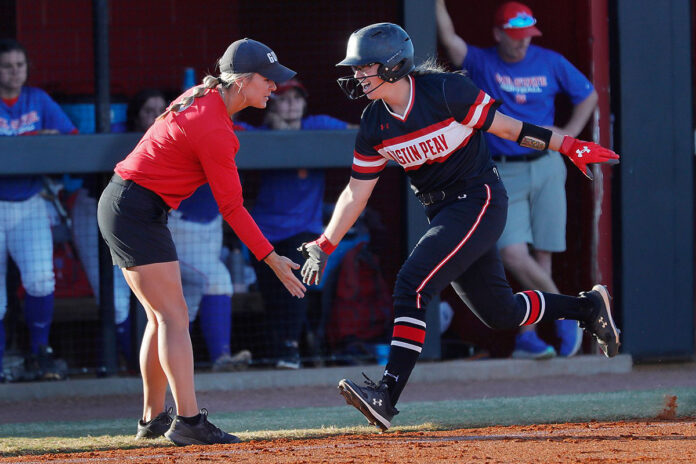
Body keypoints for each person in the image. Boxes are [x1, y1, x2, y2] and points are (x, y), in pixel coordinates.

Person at [298, 23, 620, 432]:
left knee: (412, 284)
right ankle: (588, 307)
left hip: (479, 198)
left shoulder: (446, 91)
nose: (358, 75)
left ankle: (386, 394)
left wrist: (569, 145)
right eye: (357, 68)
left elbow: (509, 129)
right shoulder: (373, 123)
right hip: (444, 213)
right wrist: (325, 243)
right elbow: (355, 194)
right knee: (500, 313)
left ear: (395, 65)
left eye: (366, 67)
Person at [97, 38, 304, 446]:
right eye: (267, 79)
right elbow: (233, 208)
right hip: (134, 210)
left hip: (132, 206)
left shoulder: (205, 94)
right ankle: (188, 421)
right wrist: (271, 257)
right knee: (174, 317)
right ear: (242, 81)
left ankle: (152, 418)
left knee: (162, 317)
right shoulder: (213, 126)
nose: (274, 87)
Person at [436, 0, 599, 359]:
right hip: (503, 166)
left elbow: (588, 95)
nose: (522, 42)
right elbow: (449, 40)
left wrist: (569, 137)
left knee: (542, 255)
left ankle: (530, 339)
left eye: (527, 35)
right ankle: (570, 310)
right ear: (498, 34)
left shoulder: (550, 60)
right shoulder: (482, 61)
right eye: (515, 36)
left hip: (547, 163)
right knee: (512, 253)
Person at [128, 89, 252, 372]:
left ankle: (176, 366)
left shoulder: (227, 125)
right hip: (178, 225)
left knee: (188, 302)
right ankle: (221, 357)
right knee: (217, 278)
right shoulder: (186, 127)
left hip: (210, 226)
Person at [251, 78, 355, 369]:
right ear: (271, 105)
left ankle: (291, 349)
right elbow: (231, 129)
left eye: (297, 98)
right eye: (283, 99)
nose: (291, 104)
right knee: (271, 295)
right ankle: (277, 352)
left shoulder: (317, 124)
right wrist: (275, 131)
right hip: (264, 231)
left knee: (297, 284)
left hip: (304, 229)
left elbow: (359, 134)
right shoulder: (260, 133)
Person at [0, 38, 77, 382]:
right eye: (6, 66)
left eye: (20, 65)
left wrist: (46, 140)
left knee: (41, 279)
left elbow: (72, 138)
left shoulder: (38, 99)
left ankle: (39, 353)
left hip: (31, 201)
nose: (14, 72)